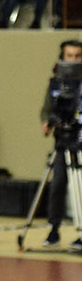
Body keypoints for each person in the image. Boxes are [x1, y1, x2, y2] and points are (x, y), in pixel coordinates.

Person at [40, 39, 82, 251]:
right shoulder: (55, 83)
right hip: (63, 142)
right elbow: (48, 109)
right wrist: (47, 121)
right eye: (70, 56)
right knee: (58, 184)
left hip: (81, 141)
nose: (73, 60)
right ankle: (53, 228)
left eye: (78, 56)